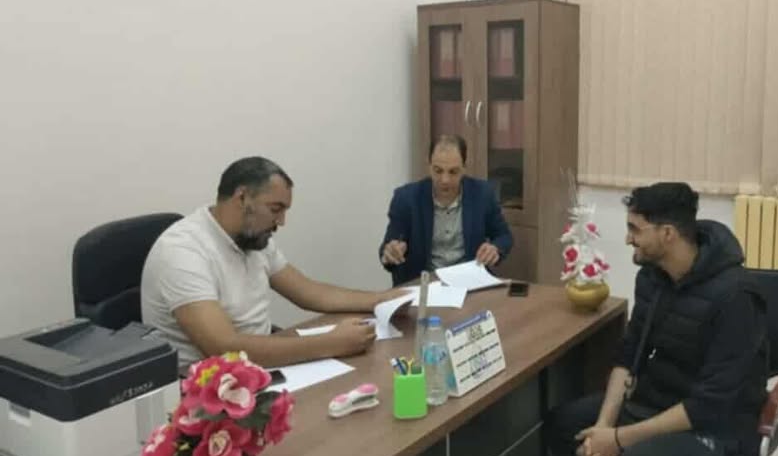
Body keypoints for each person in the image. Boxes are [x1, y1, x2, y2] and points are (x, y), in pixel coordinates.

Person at [545, 182, 768, 456]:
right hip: (657, 401)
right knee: (564, 425)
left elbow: (708, 406)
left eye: (635, 229)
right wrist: (604, 427)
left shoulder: (737, 297)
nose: (627, 239)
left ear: (667, 234)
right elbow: (628, 356)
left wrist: (618, 440)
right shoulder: (652, 277)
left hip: (720, 428)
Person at [142, 156, 397, 367]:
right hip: (203, 386)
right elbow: (222, 347)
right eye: (276, 209)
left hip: (257, 367)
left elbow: (309, 292)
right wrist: (331, 343)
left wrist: (382, 300)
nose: (281, 222)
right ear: (242, 198)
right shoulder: (182, 251)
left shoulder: (254, 239)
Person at [379, 134, 513, 286]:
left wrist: (495, 248)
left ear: (464, 168)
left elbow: (504, 236)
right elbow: (387, 248)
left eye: (453, 172)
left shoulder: (482, 194)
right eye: (438, 171)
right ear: (429, 166)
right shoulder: (406, 198)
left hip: (468, 283)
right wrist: (391, 252)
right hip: (423, 286)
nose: (445, 180)